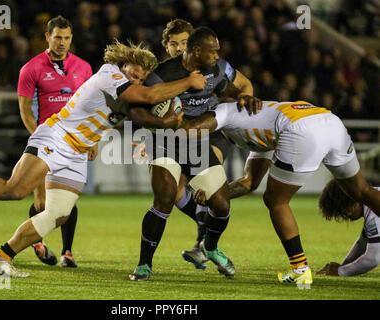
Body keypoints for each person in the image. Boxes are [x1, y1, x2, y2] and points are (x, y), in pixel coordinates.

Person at [0, 40, 207, 277]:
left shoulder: (130, 90)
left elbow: (143, 112)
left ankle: (1, 258)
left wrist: (171, 120)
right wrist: (188, 82)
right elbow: (150, 95)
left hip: (77, 152)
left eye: (142, 77)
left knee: (58, 215)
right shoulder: (110, 74)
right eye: (135, 73)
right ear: (125, 65)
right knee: (15, 190)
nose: (137, 79)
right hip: (56, 136)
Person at [182, 99, 380, 286]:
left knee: (276, 200)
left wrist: (167, 130)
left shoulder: (226, 110)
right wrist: (215, 195)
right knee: (362, 190)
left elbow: (191, 128)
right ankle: (299, 268)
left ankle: (300, 268)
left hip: (301, 128)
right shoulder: (259, 128)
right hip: (330, 121)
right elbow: (249, 183)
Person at [128, 26, 261, 281]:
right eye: (213, 51)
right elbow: (136, 110)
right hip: (165, 140)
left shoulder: (217, 69)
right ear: (197, 51)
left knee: (221, 203)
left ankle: (208, 247)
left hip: (198, 140)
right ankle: (144, 265)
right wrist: (160, 124)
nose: (217, 55)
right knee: (165, 196)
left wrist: (245, 97)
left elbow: (237, 87)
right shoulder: (163, 73)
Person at [18, 15, 93, 268]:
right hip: (46, 142)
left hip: (74, 143)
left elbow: (90, 108)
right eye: (58, 37)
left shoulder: (83, 67)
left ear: (72, 38)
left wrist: (92, 139)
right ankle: (36, 242)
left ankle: (67, 252)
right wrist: (40, 139)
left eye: (67, 38)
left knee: (68, 200)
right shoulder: (31, 68)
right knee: (41, 201)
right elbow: (26, 111)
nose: (62, 42)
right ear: (47, 37)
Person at [317, 179, 380, 276]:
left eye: (342, 210)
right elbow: (362, 243)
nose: (343, 215)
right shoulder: (372, 199)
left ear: (354, 201)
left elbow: (373, 258)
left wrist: (340, 271)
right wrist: (343, 266)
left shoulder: (373, 213)